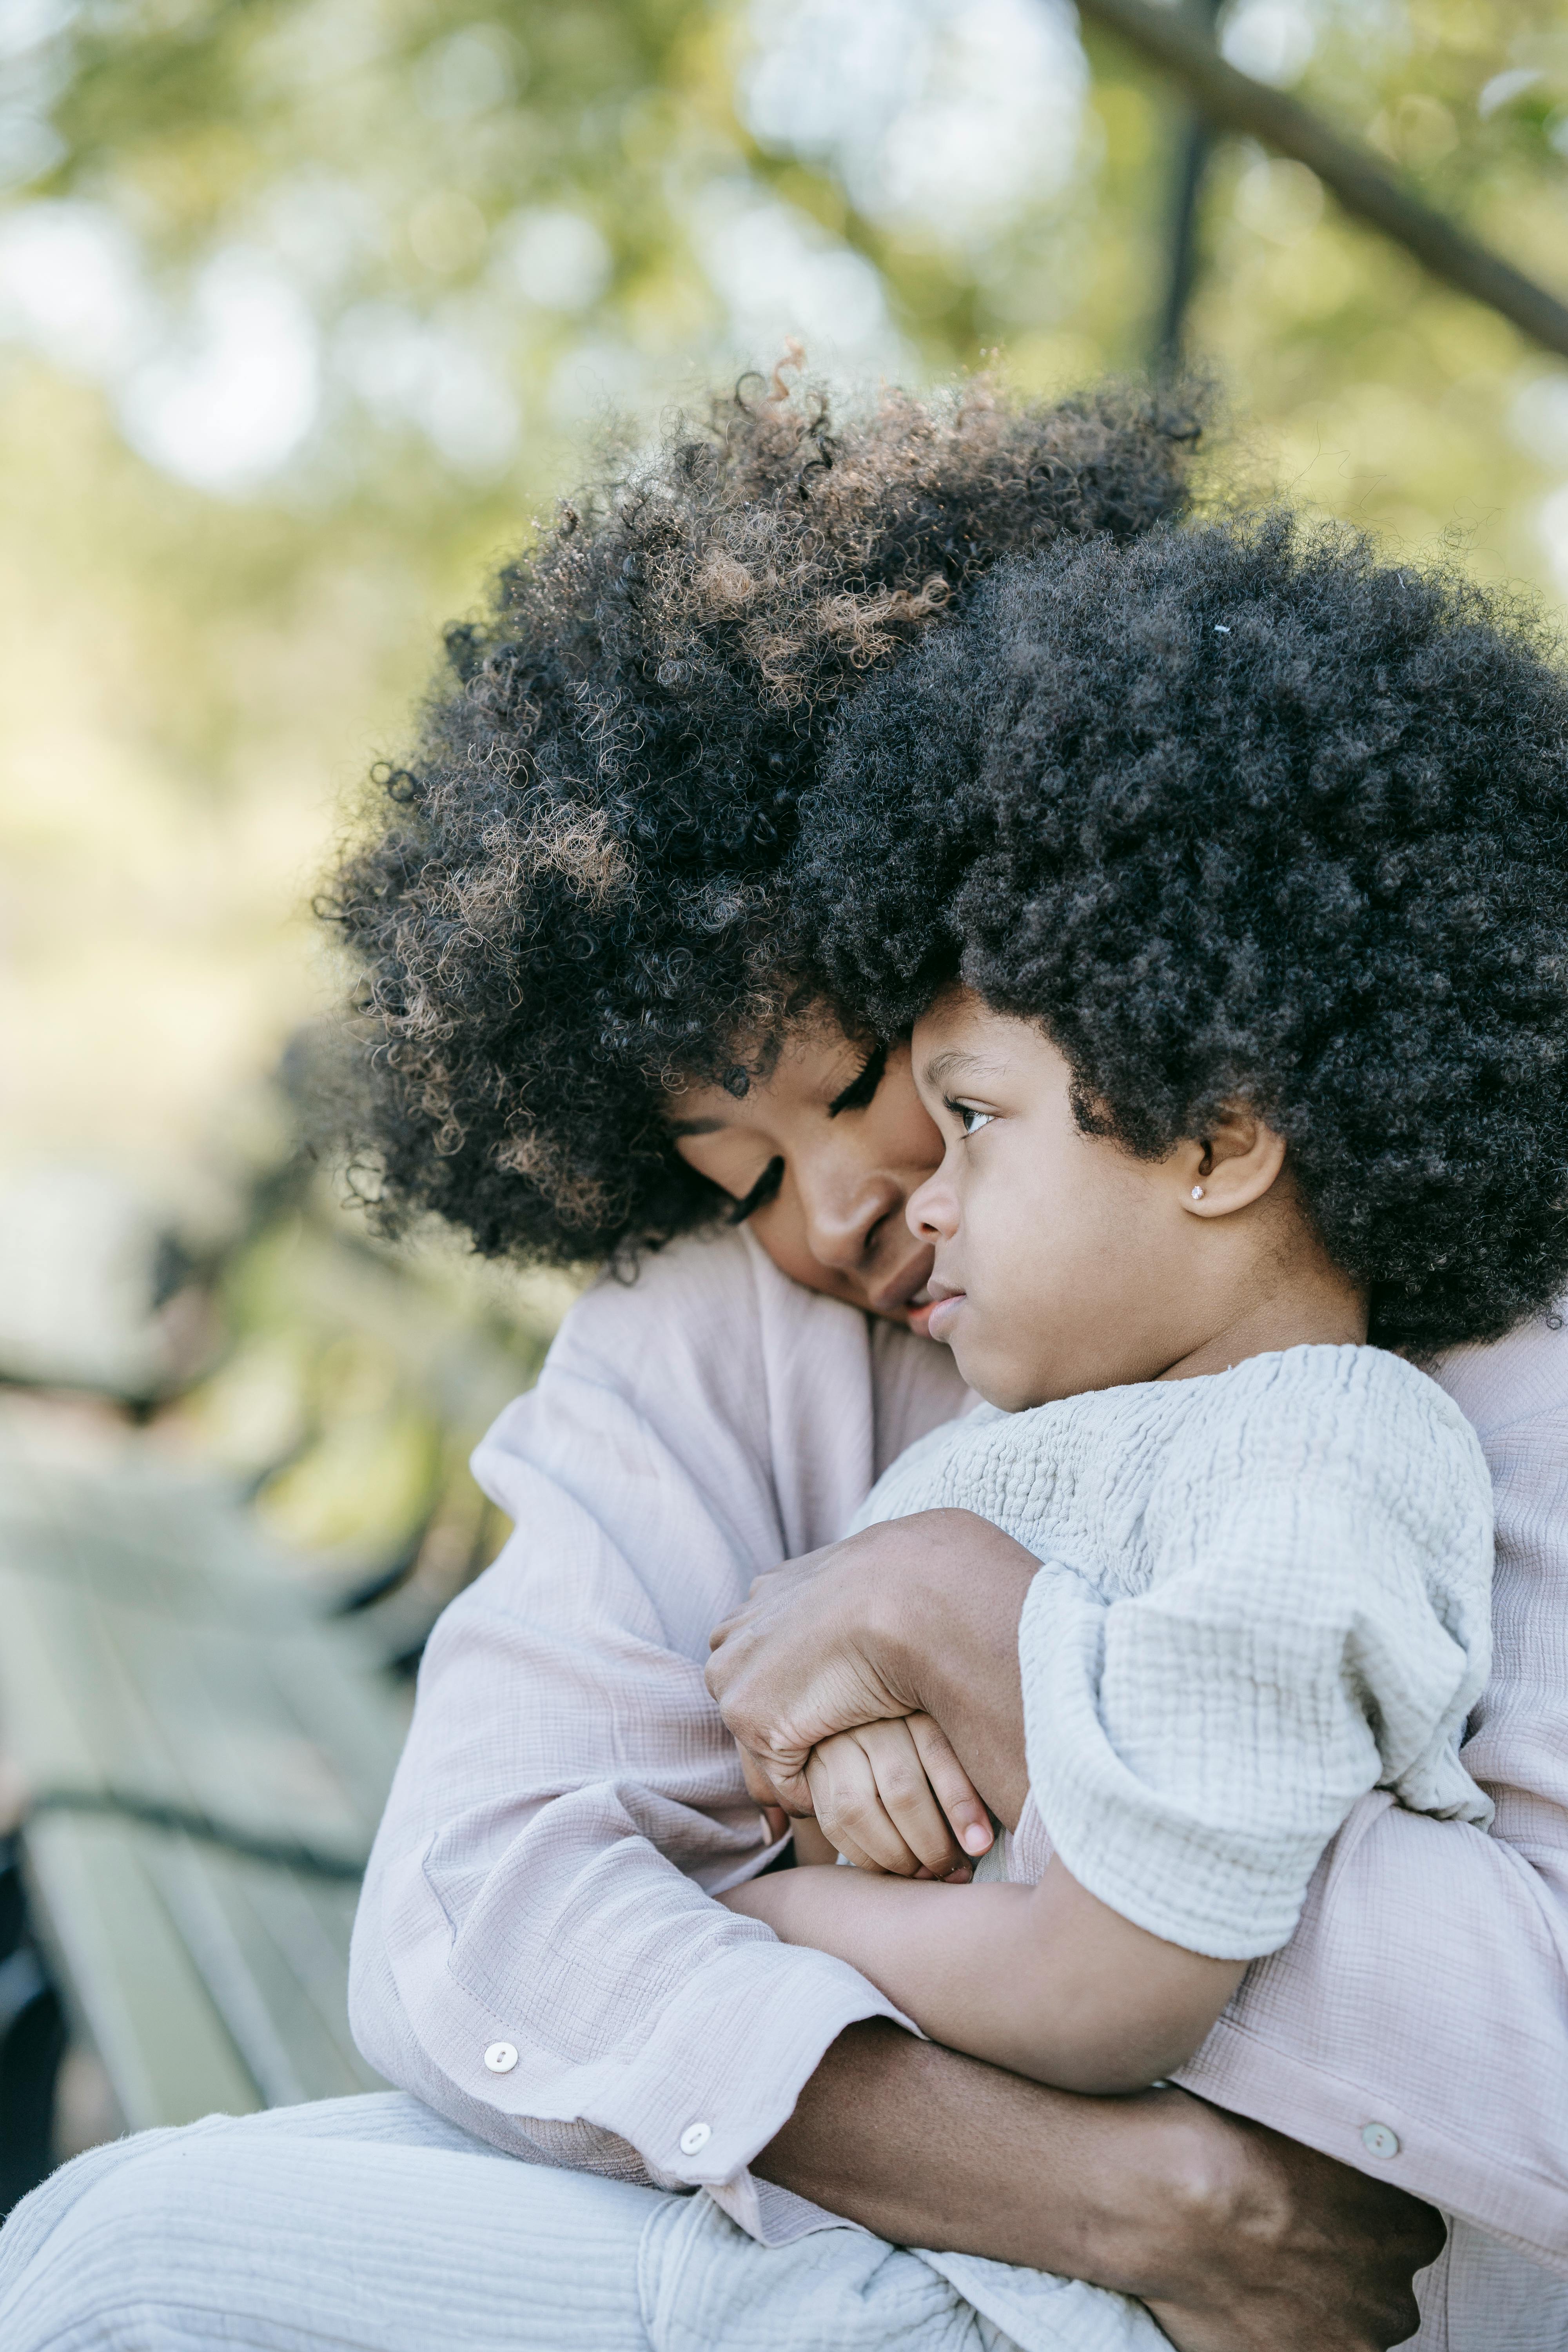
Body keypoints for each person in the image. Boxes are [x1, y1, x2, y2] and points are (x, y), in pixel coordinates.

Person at [0, 379, 1551, 2350]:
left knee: (133, 2270)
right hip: (962, 2242)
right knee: (108, 2250)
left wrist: (992, 1653)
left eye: (869, 1082)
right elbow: (475, 1913)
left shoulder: (1435, 1368)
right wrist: (1123, 2198)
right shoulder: (727, 1322)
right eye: (729, 1165)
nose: (827, 1214)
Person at [709, 519, 1568, 2216]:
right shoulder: (1111, 1430)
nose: (917, 1207)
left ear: (1216, 1137)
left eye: (974, 1122)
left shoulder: (1315, 1461)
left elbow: (1106, 1980)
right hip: (930, 2219)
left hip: (997, 2286)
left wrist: (760, 1923)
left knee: (130, 2264)